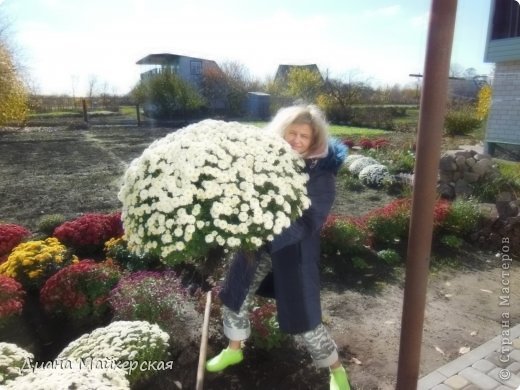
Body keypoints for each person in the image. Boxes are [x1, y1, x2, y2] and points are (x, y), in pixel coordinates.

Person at [206, 104, 350, 390]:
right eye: (291, 133)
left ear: (314, 141)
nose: (296, 140)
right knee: (234, 294)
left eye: (304, 136)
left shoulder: (321, 173)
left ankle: (336, 371)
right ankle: (234, 350)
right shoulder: (265, 162)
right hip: (255, 246)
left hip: (294, 251)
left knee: (306, 318)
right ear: (280, 133)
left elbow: (311, 221)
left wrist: (269, 232)